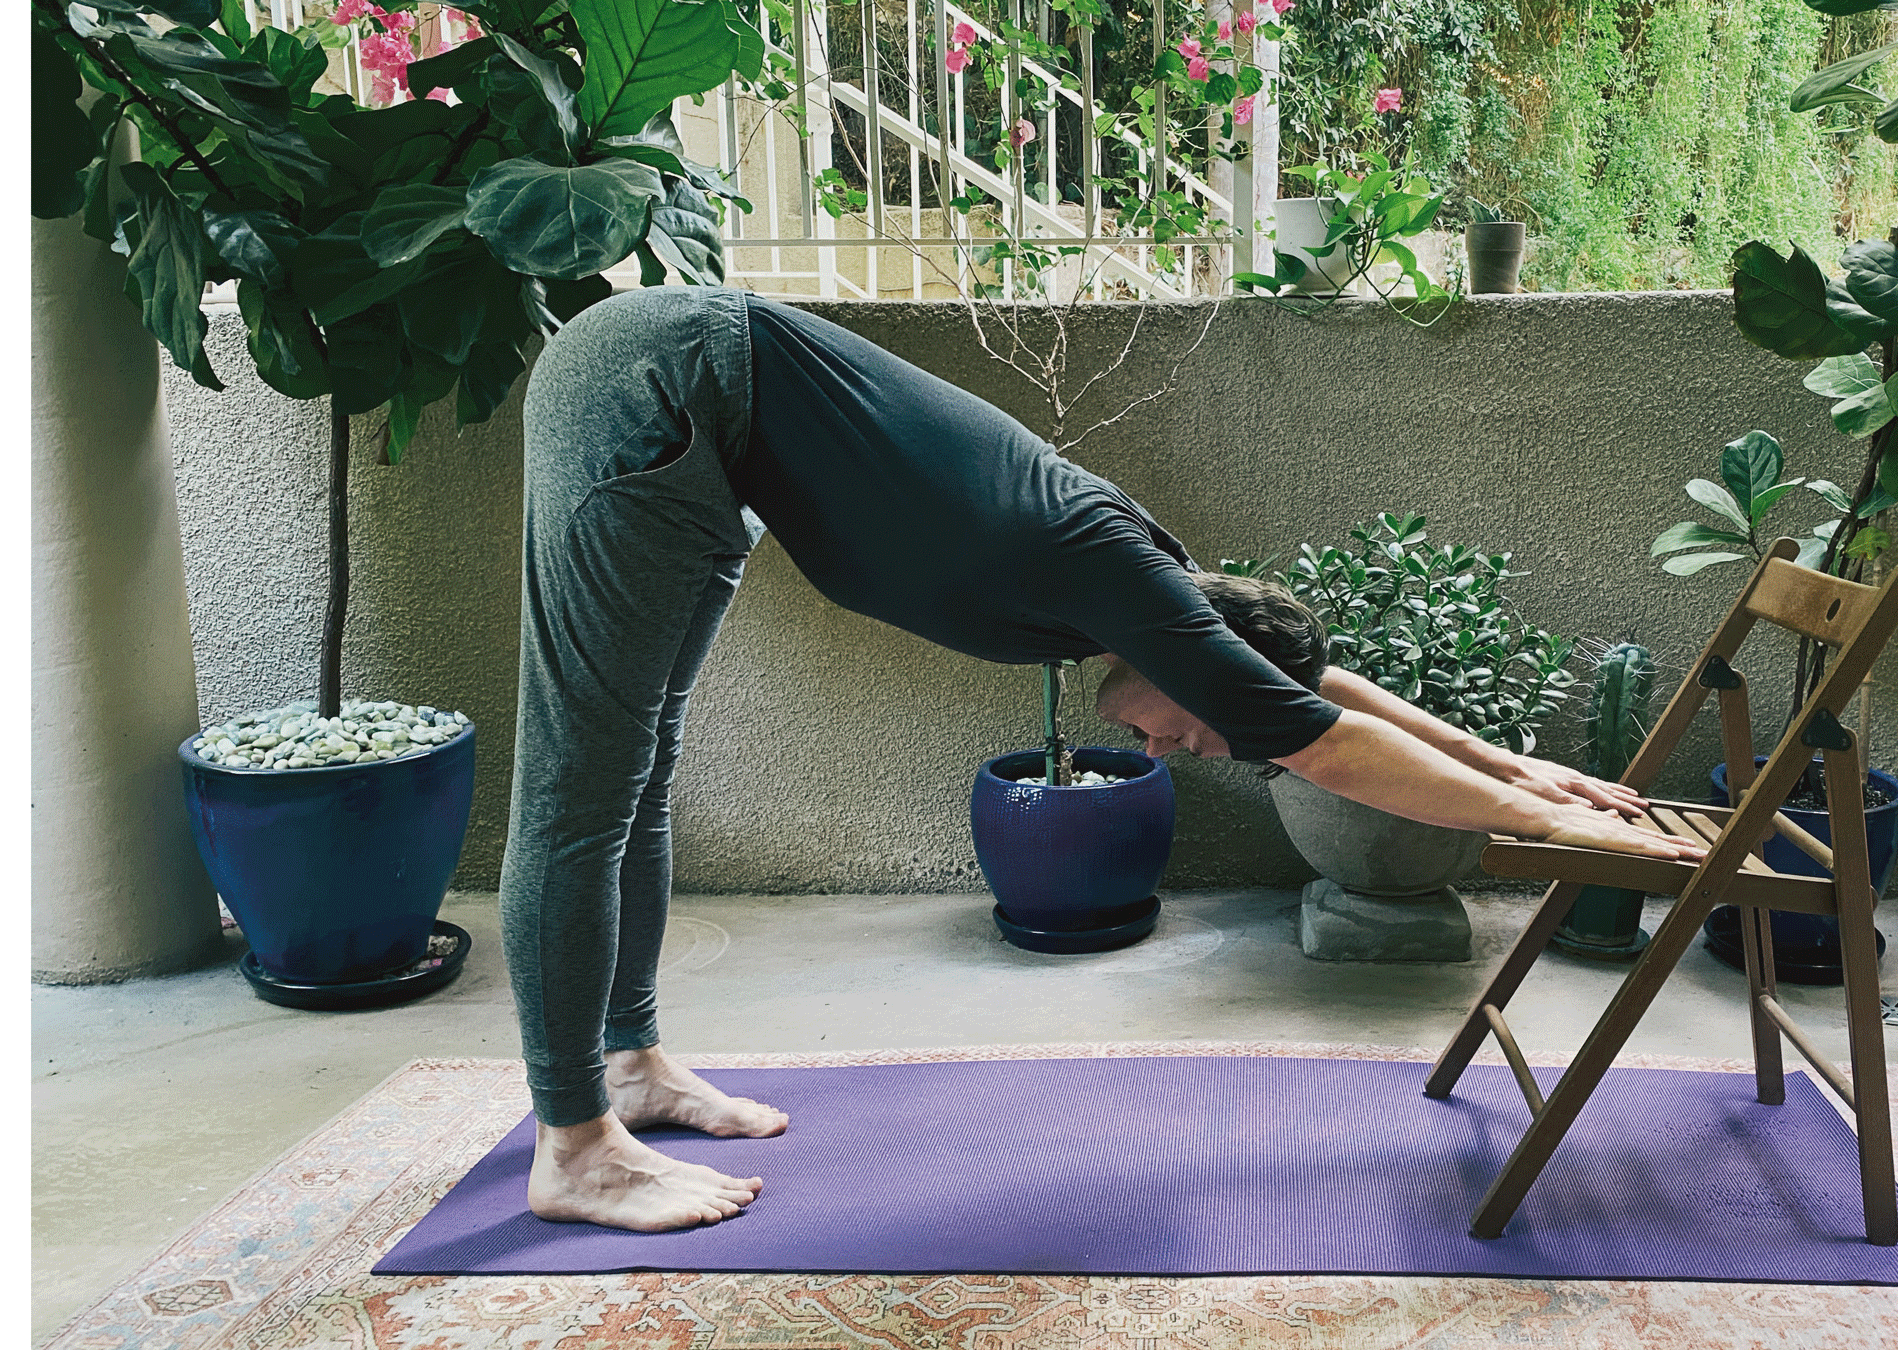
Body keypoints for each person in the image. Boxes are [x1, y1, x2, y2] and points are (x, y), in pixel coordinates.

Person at [498, 285, 1706, 1234]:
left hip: (707, 423)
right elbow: (1325, 742)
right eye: (1203, 727)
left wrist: (1513, 761)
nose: (1176, 746)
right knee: (580, 788)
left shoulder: (1163, 594)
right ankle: (576, 1147)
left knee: (635, 770)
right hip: (659, 384)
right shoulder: (1118, 572)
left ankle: (631, 1058)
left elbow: (1308, 686)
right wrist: (1561, 831)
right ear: (1202, 661)